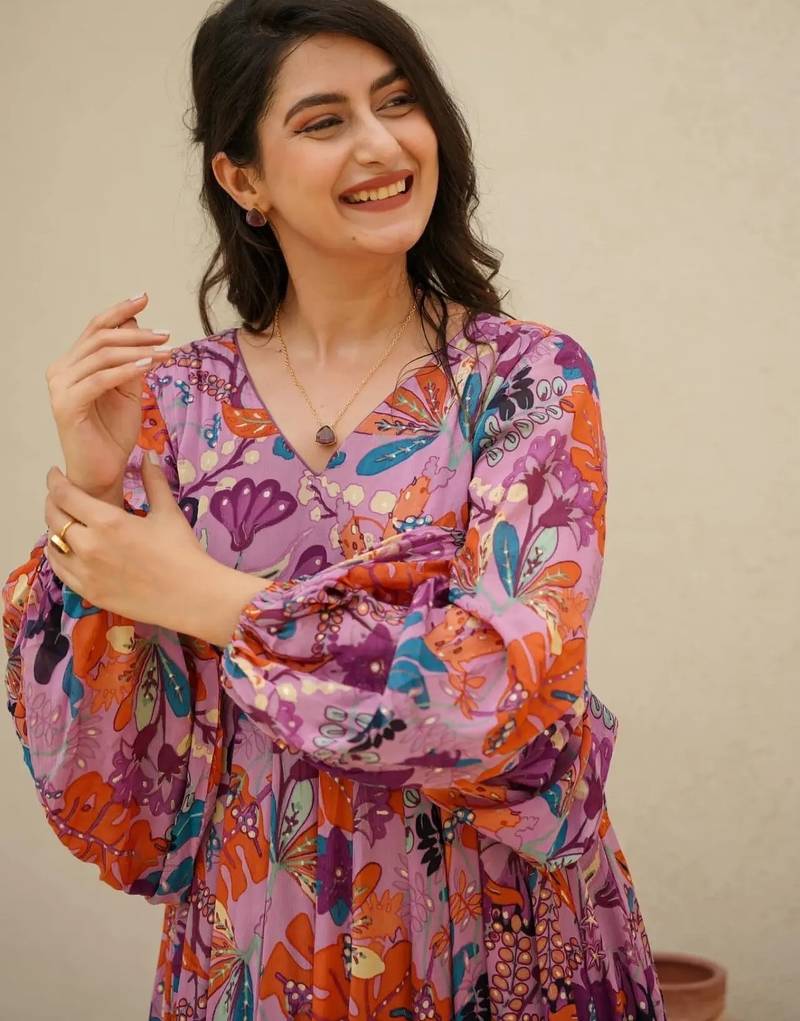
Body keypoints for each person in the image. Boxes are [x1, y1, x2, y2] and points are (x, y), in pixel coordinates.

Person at [2, 1, 668, 1019]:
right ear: (243, 180)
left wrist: (213, 600)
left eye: (397, 103)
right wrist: (94, 494)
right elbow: (119, 779)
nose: (382, 144)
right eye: (323, 120)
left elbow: (502, 698)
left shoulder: (524, 380)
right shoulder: (173, 404)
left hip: (497, 933)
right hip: (258, 932)